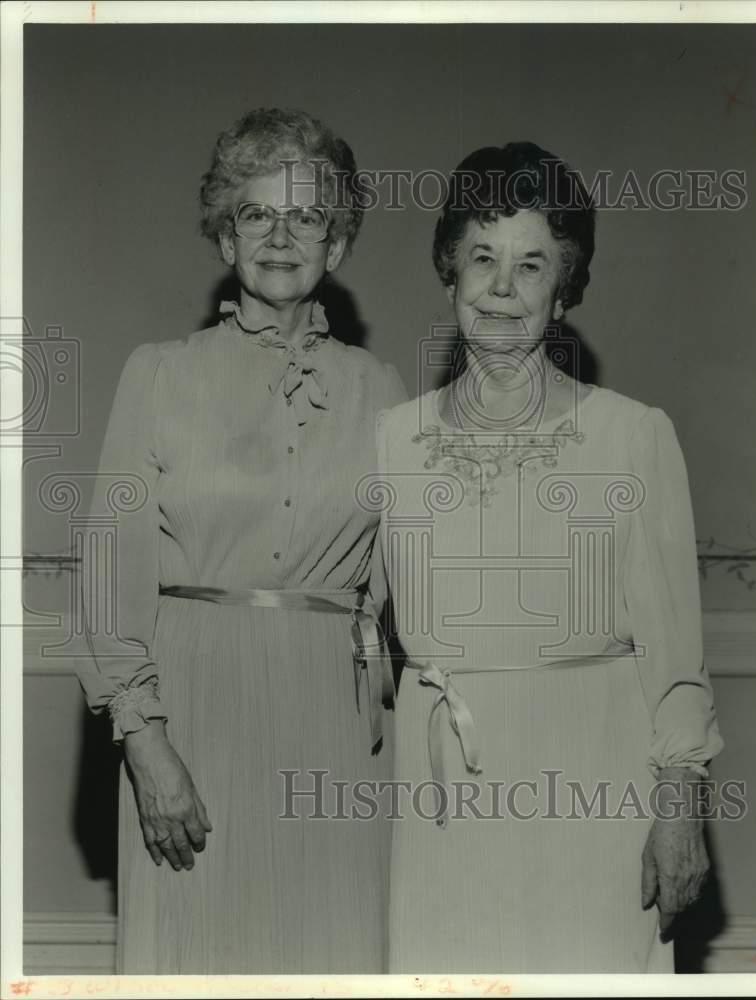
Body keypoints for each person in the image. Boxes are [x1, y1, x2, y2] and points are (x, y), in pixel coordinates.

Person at [372, 141, 724, 972]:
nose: (501, 287)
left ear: (563, 289)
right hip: (443, 805)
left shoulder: (634, 435)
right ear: (448, 273)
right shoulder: (393, 441)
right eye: (482, 258)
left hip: (593, 793)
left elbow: (676, 660)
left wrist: (680, 806)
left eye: (531, 266)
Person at [76, 107, 406, 974]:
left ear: (336, 246)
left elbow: (416, 579)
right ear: (226, 237)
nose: (280, 236)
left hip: (336, 727)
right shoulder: (158, 374)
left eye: (305, 216)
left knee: (334, 956)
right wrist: (146, 746)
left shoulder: (383, 390)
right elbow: (110, 577)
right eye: (256, 213)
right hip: (192, 717)